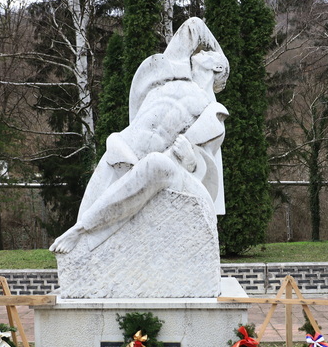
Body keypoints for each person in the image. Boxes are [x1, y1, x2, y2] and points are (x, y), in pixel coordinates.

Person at [50, 18, 229, 254]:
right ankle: (82, 234)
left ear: (218, 67)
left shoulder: (211, 114)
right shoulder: (170, 73)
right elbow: (194, 26)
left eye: (208, 53)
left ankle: (81, 229)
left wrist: (190, 161)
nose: (202, 51)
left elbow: (208, 178)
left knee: (154, 164)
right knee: (85, 229)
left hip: (161, 166)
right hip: (125, 148)